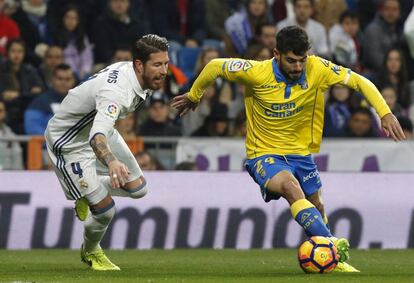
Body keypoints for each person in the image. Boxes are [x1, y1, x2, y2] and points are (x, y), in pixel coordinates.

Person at [172, 26, 406, 272]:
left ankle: (329, 259)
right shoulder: (257, 72)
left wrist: (385, 113)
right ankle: (333, 246)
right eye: (291, 61)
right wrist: (195, 95)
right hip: (264, 154)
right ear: (276, 54)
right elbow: (215, 66)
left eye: (302, 60)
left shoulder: (318, 68)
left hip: (300, 154)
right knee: (291, 187)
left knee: (317, 205)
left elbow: (359, 81)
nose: (297, 67)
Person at [44, 34, 169, 270]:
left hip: (98, 130)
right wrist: (111, 161)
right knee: (105, 210)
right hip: (69, 142)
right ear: (139, 65)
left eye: (165, 64)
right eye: (157, 64)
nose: (163, 71)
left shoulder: (140, 76)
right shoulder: (116, 92)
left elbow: (102, 128)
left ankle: (87, 189)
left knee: (139, 189)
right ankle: (91, 252)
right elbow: (96, 137)